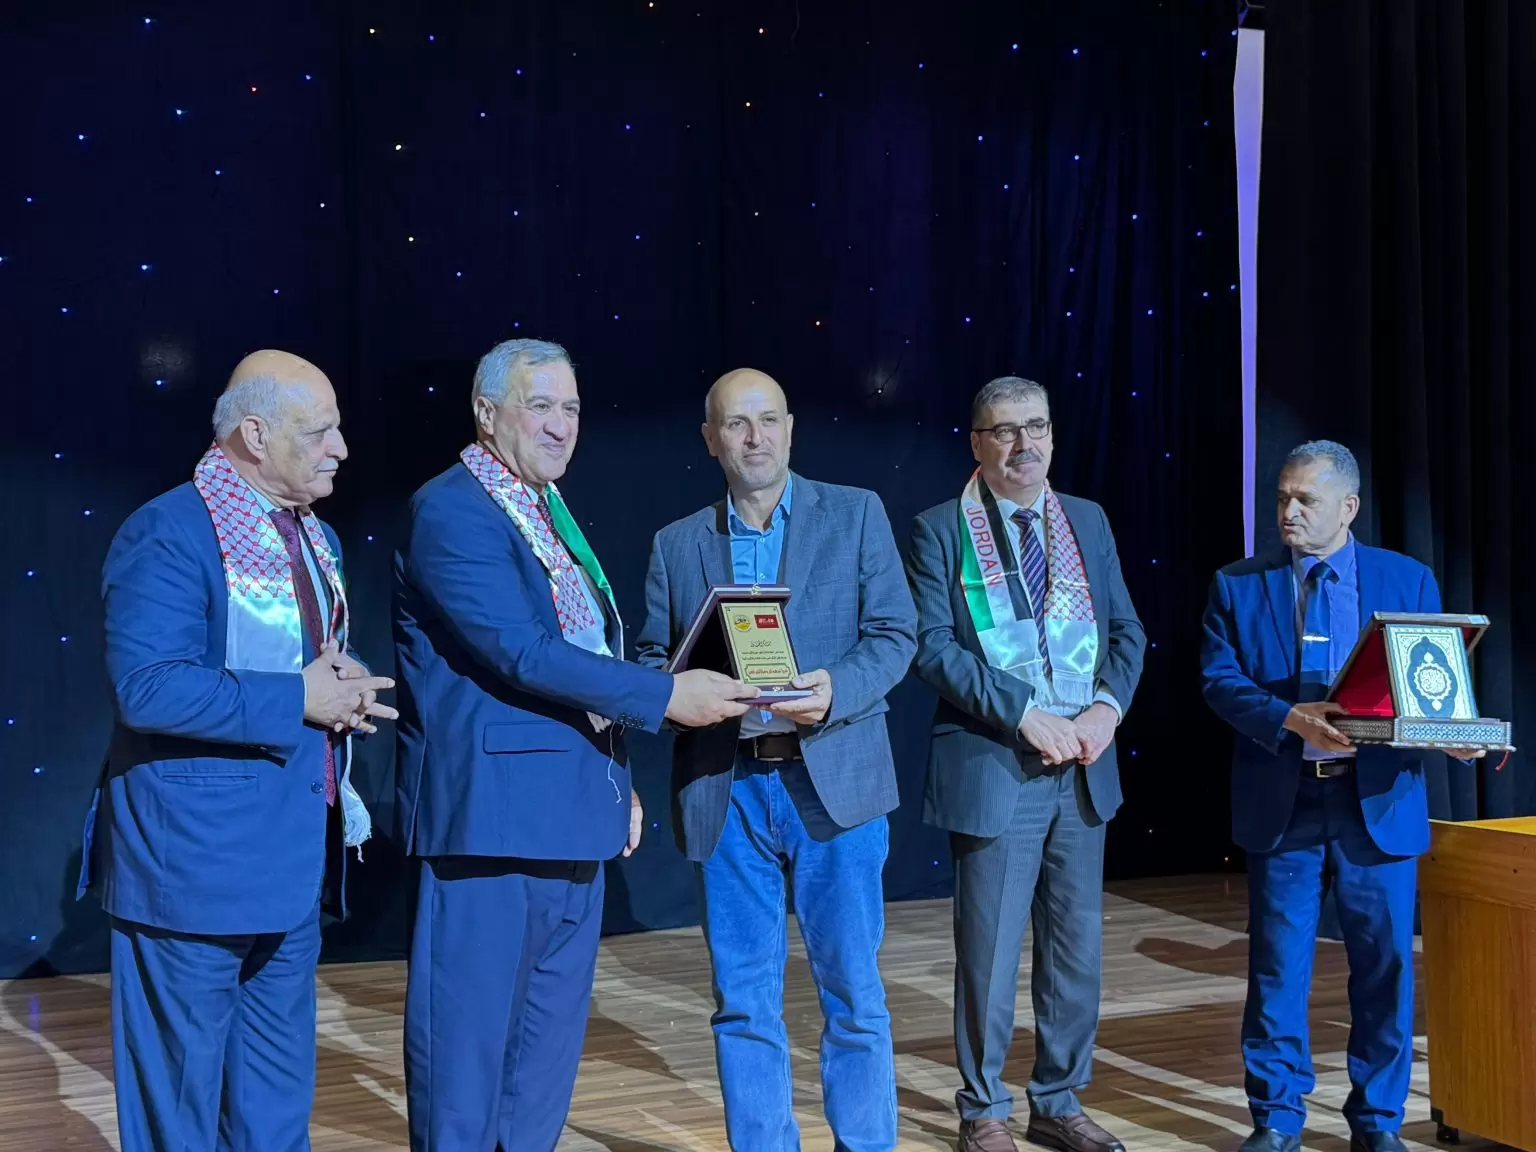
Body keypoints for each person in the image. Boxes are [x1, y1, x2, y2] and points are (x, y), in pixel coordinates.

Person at [393, 338, 756, 1151]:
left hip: (572, 816)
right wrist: (667, 696)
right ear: (486, 413)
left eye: (572, 409)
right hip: (491, 828)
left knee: (543, 1063)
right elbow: (523, 652)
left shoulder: (544, 509)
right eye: (541, 406)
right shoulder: (453, 510)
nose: (561, 426)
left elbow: (585, 653)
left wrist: (613, 778)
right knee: (466, 1065)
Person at [81, 350, 396, 1151]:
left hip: (288, 866)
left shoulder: (313, 537)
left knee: (274, 1108)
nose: (341, 449)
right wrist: (299, 698)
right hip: (193, 872)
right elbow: (148, 688)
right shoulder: (168, 532)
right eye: (320, 431)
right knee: (179, 1114)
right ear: (255, 435)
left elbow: (300, 662)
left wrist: (342, 686)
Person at [634, 367, 917, 1151]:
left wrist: (836, 691)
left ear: (791, 430)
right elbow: (652, 660)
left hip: (833, 780)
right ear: (710, 439)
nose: (753, 438)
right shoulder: (676, 544)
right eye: (735, 423)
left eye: (767, 421)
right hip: (726, 788)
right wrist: (682, 691)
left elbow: (896, 634)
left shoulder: (855, 514)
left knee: (853, 992)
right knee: (743, 1000)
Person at [1200, 440, 1481, 1152]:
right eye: (1282, 499)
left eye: (1306, 500)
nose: (1288, 513)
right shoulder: (1238, 583)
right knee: (1277, 969)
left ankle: (1378, 1122)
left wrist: (1452, 733)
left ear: (1348, 507)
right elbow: (1219, 681)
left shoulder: (1406, 578)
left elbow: (1429, 685)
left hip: (1376, 803)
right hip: (1286, 801)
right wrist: (1289, 719)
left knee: (1385, 969)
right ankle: (1277, 1120)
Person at [905, 376, 1144, 1152]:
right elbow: (931, 647)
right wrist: (1022, 713)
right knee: (990, 952)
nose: (1023, 444)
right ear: (977, 443)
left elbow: (1127, 632)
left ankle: (1059, 1100)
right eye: (1004, 431)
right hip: (997, 765)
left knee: (1076, 951)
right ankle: (983, 1109)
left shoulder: (1087, 520)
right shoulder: (940, 529)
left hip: (1082, 766)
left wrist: (1105, 709)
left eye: (1035, 427)